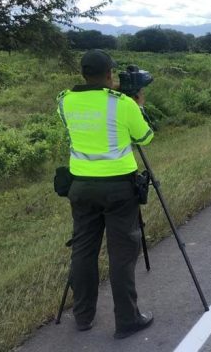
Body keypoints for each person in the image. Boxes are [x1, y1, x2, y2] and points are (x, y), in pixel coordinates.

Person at [57, 49, 154, 339]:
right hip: (119, 189)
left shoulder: (64, 101)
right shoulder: (122, 103)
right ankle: (127, 320)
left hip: (81, 187)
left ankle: (83, 316)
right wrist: (138, 106)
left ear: (83, 73)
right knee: (122, 254)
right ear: (111, 75)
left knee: (83, 251)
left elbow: (75, 127)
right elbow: (146, 137)